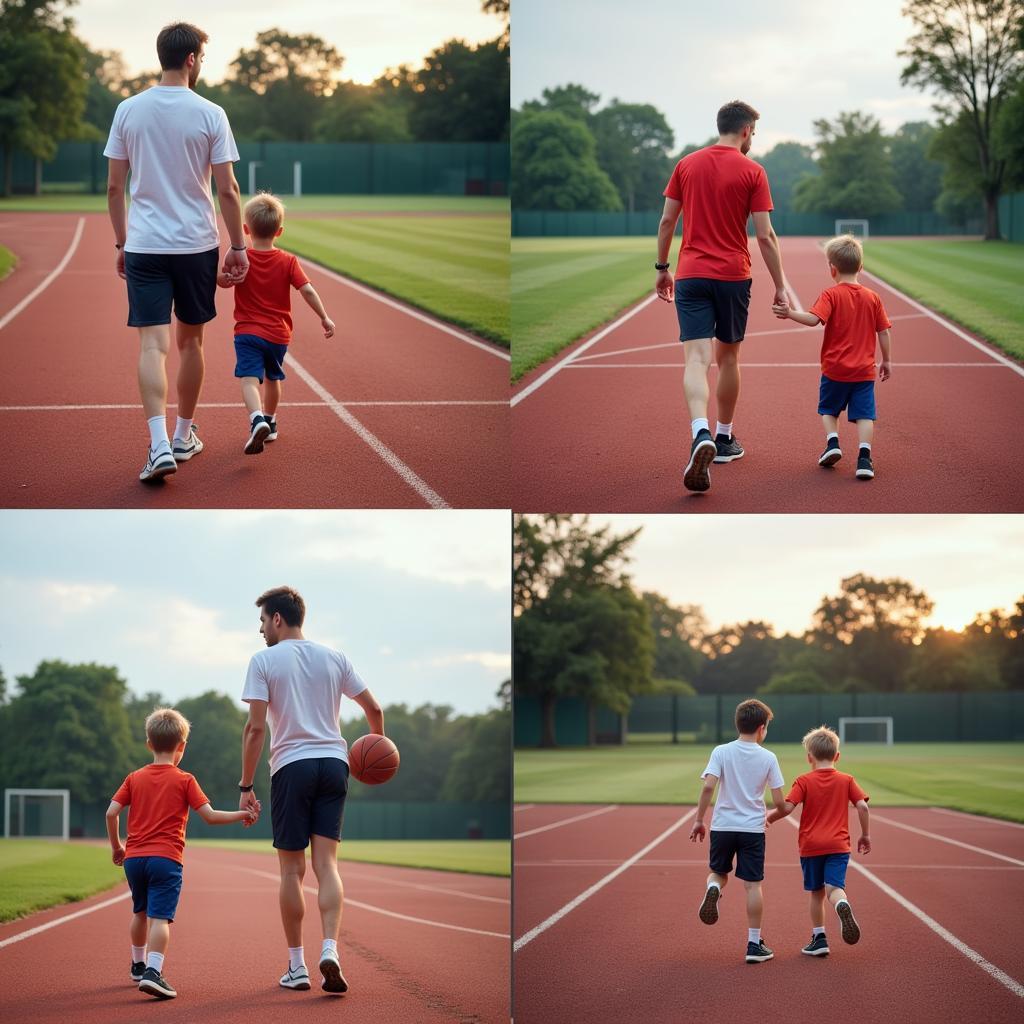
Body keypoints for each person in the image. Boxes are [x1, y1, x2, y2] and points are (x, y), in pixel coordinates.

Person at [104, 22, 249, 483]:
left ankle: (159, 444)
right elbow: (227, 190)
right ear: (191, 59)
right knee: (192, 343)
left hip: (145, 243)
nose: (201, 64)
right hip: (195, 245)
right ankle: (184, 435)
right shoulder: (212, 113)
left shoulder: (128, 109)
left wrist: (122, 243)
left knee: (153, 344)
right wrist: (239, 247)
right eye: (202, 57)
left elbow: (113, 188)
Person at [238, 586, 384, 994]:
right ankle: (332, 949)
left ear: (278, 619)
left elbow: (254, 729)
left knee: (291, 870)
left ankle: (297, 966)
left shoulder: (263, 660)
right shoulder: (335, 658)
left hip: (291, 766)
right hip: (335, 765)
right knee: (328, 867)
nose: (261, 630)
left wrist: (246, 785)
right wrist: (375, 749)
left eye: (263, 621)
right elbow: (374, 710)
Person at [655, 100, 790, 493]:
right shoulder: (753, 171)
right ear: (746, 130)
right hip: (733, 276)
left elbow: (667, 221)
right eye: (754, 133)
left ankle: (700, 433)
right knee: (728, 356)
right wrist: (780, 284)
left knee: (696, 359)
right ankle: (725, 437)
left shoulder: (686, 164)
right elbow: (765, 235)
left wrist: (663, 269)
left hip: (692, 274)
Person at [105, 707, 258, 1000]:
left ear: (149, 743)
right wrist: (243, 814)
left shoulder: (134, 777)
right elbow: (210, 816)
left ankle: (137, 965)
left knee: (139, 911)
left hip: (134, 859)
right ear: (182, 747)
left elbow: (111, 812)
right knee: (159, 919)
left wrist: (117, 847)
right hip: (166, 859)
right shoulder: (185, 779)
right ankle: (153, 972)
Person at [217, 193, 335, 455]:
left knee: (249, 379)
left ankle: (256, 418)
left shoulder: (241, 257)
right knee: (273, 378)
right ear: (279, 231)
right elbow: (307, 291)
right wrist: (324, 317)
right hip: (278, 335)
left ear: (246, 229)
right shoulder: (288, 261)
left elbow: (221, 278)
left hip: (247, 332)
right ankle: (269, 420)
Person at [772, 234, 892, 479]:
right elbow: (884, 331)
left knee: (828, 409)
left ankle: (833, 443)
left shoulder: (830, 295)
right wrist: (887, 360)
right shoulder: (873, 297)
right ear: (860, 267)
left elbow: (813, 320)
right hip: (864, 371)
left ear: (832, 269)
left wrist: (789, 313)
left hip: (834, 369)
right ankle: (864, 459)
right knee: (865, 415)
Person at [689, 698, 787, 964]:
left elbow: (709, 787)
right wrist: (781, 812)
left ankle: (713, 888)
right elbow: (780, 802)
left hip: (722, 825)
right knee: (753, 885)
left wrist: (699, 819)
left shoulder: (721, 751)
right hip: (752, 829)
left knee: (719, 873)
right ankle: (754, 944)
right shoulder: (769, 757)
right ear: (761, 728)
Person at [766, 725, 871, 955]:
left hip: (811, 846)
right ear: (837, 756)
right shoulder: (847, 780)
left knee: (816, 893)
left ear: (809, 757)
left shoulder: (803, 781)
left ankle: (819, 939)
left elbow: (786, 808)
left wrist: (769, 818)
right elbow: (862, 806)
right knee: (834, 889)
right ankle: (841, 904)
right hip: (838, 845)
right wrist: (865, 834)